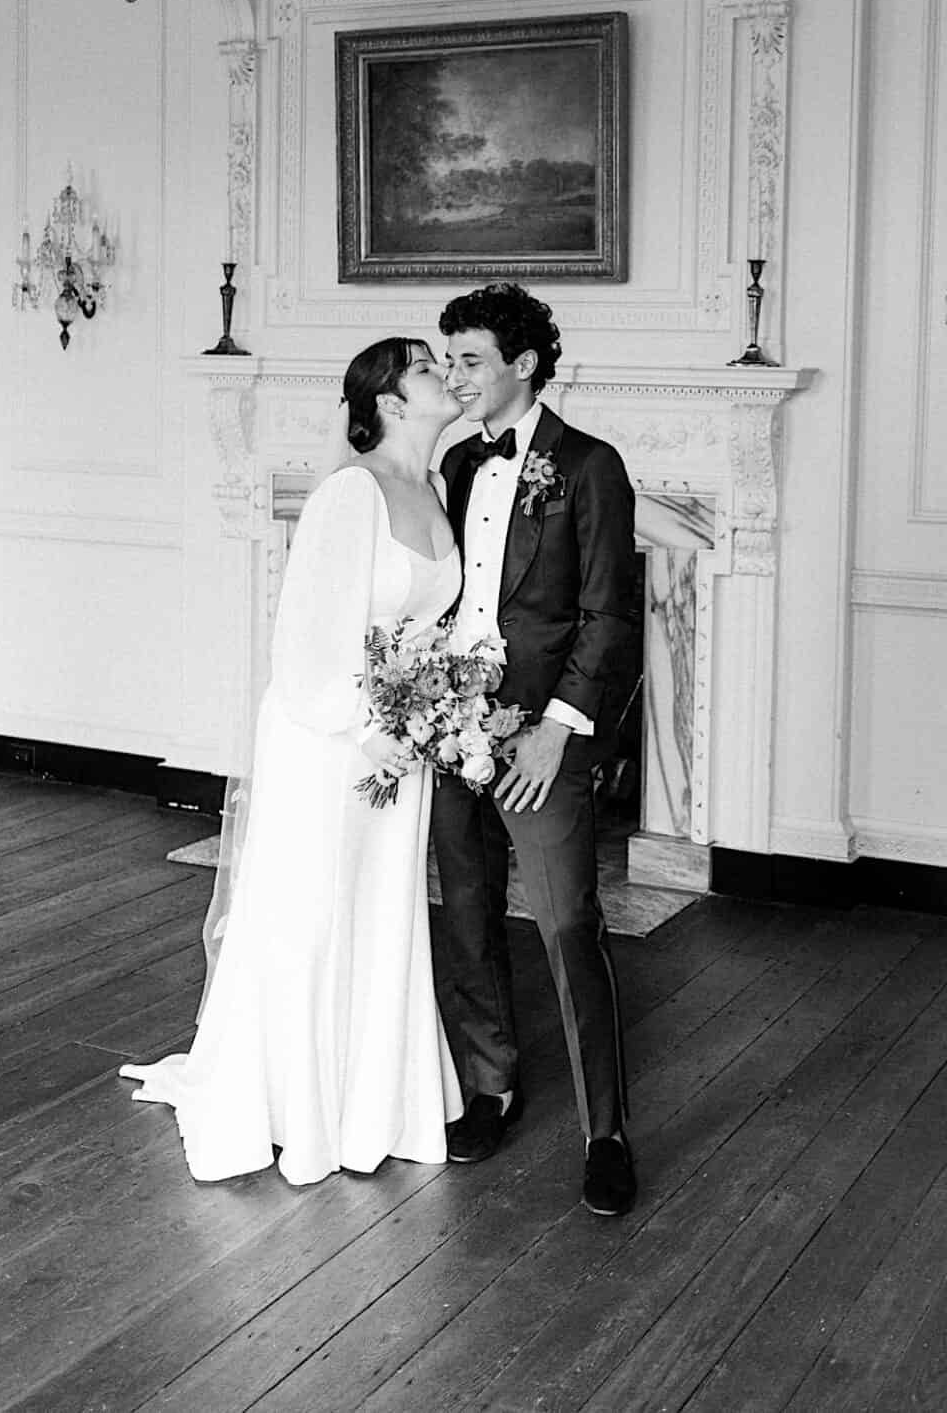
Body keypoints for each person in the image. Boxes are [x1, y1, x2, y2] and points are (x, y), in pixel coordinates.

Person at [121, 340, 466, 1182]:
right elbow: (307, 645)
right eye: (426, 368)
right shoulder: (351, 496)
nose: (445, 376)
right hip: (330, 742)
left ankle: (372, 1101)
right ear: (388, 401)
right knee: (312, 909)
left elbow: (435, 628)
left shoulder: (439, 487)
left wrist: (437, 711)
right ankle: (291, 1106)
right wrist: (373, 721)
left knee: (383, 909)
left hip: (402, 746)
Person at [431, 282, 642, 1217]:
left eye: (469, 359)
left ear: (523, 364)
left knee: (565, 926)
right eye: (447, 361)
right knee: (466, 912)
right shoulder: (457, 464)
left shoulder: (590, 467)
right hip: (449, 732)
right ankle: (493, 1088)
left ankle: (606, 1132)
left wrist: (557, 731)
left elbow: (610, 616)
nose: (454, 377)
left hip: (540, 743)